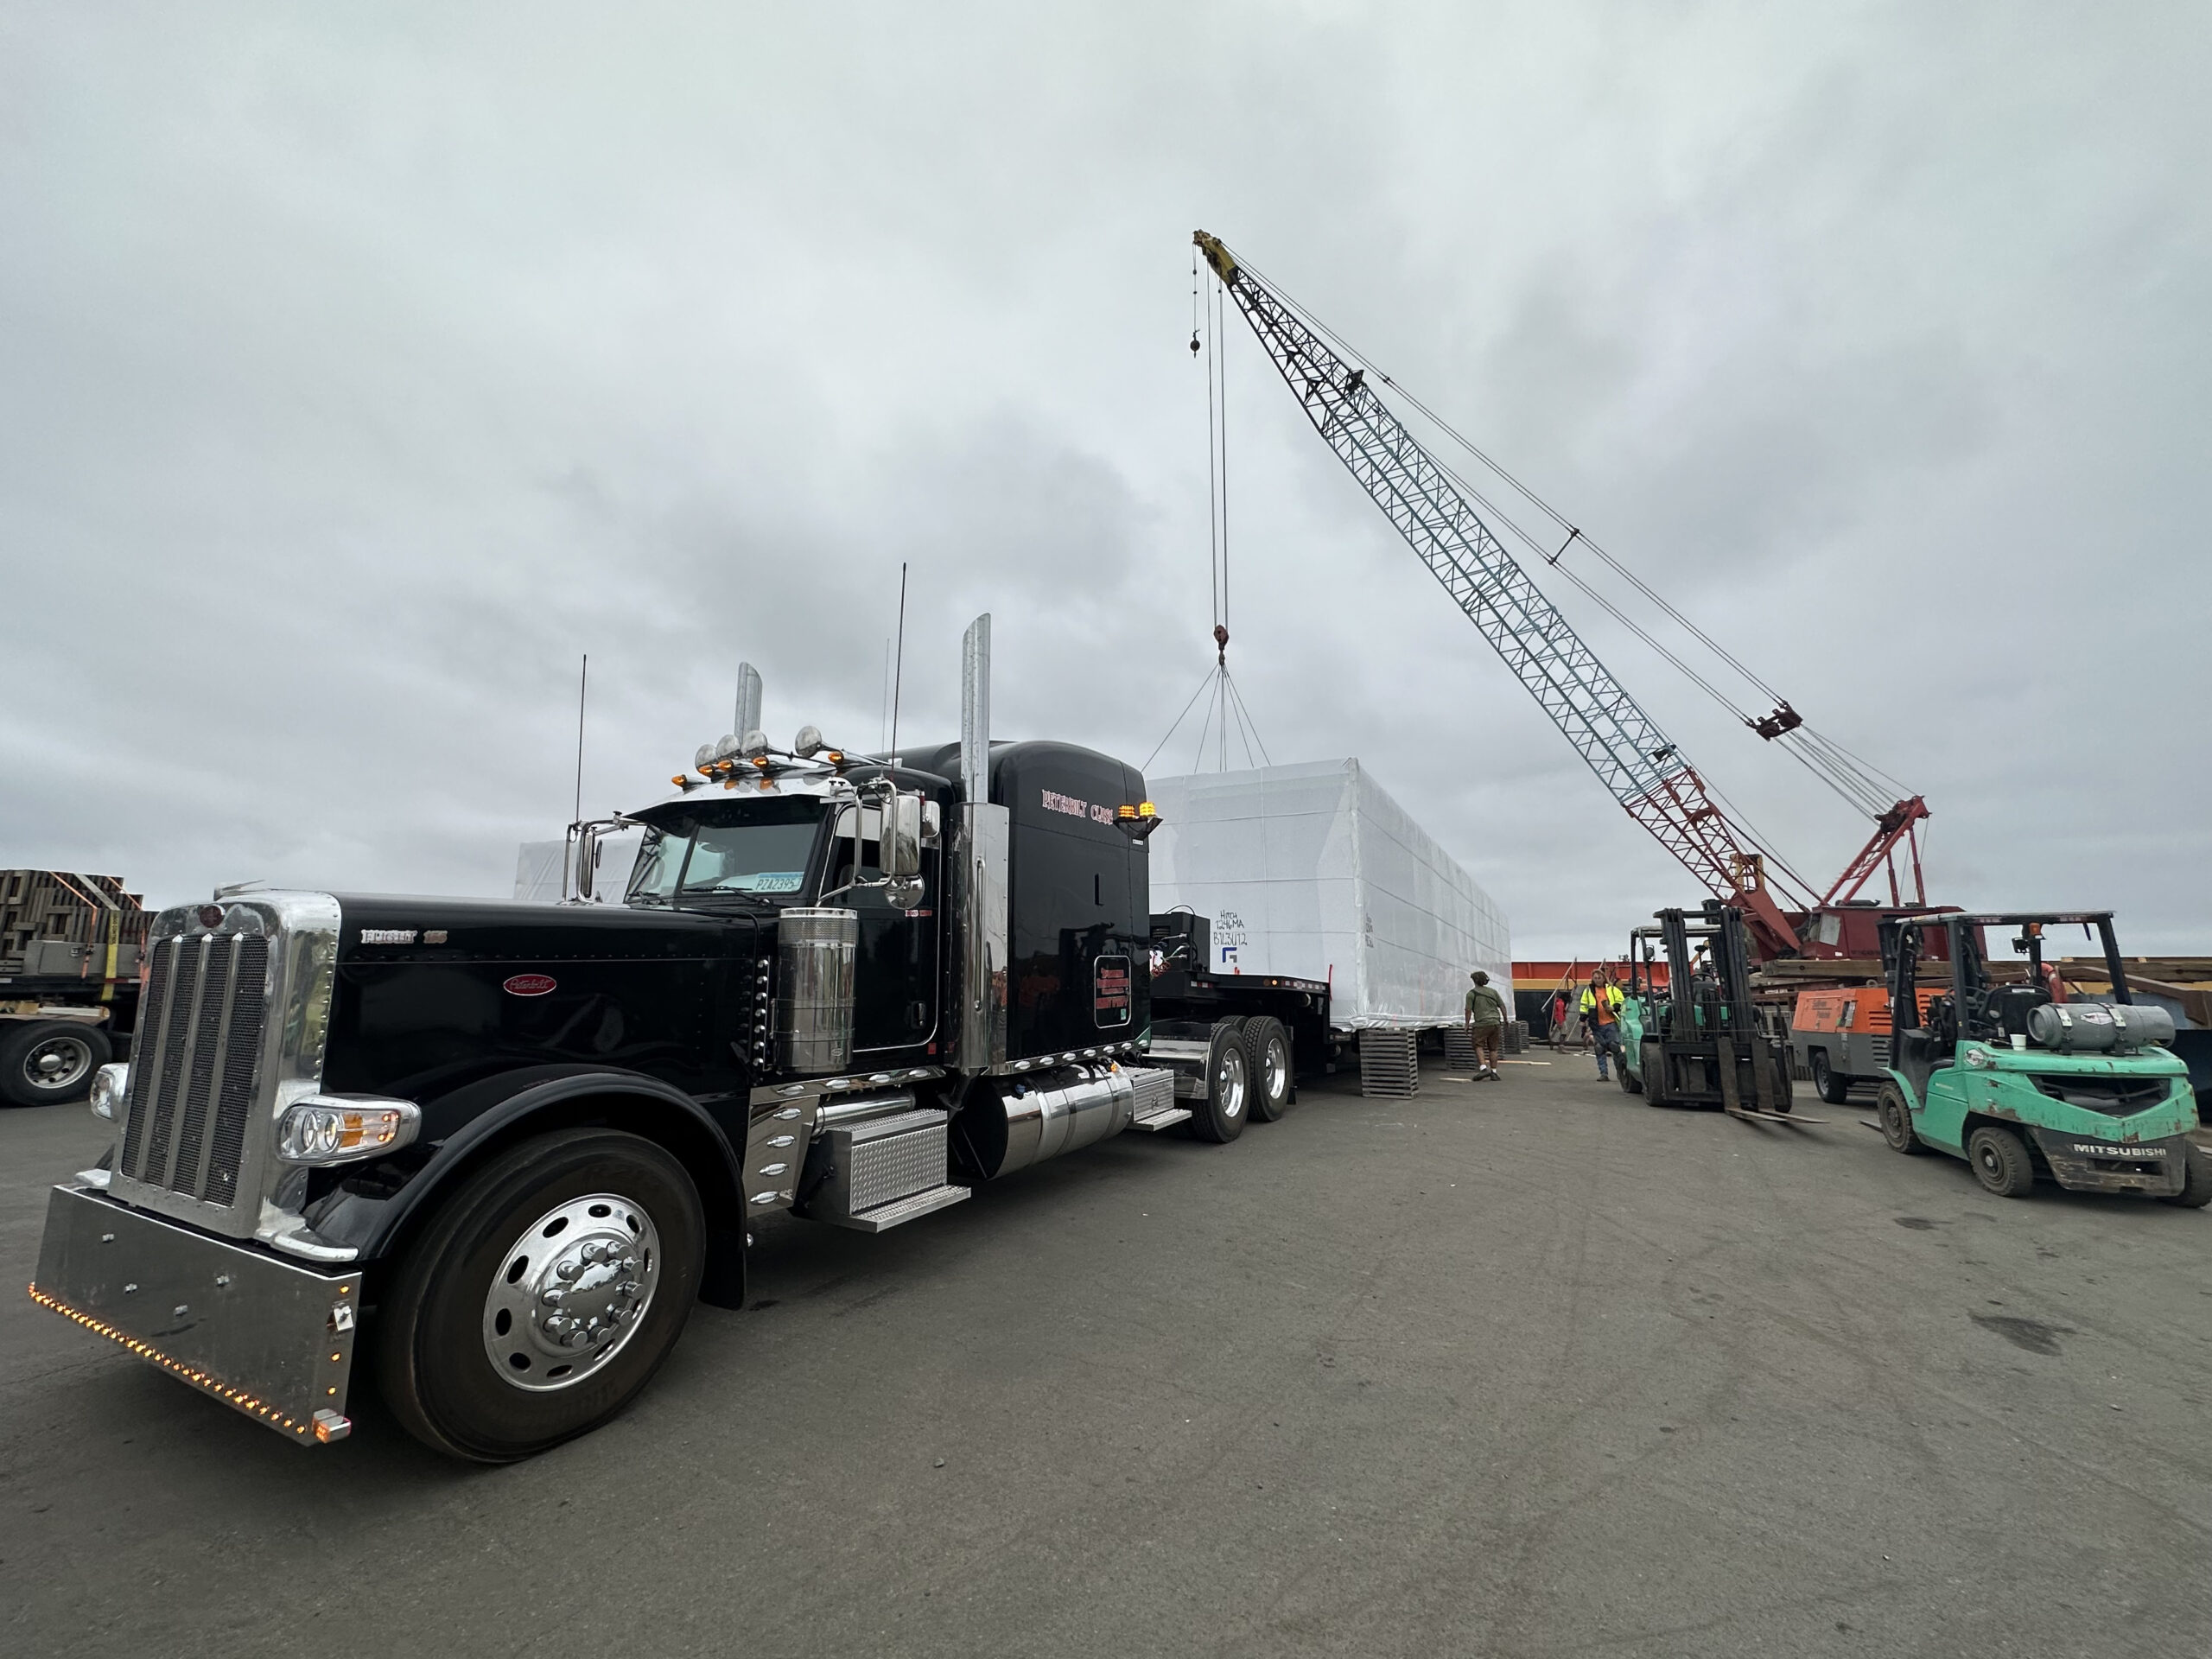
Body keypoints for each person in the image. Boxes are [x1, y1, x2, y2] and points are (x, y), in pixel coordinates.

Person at [1581, 968, 1625, 1082]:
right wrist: (1583, 1019)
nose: (1597, 980)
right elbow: (1584, 1005)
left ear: (1603, 978)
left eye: (1599, 978)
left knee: (1615, 1047)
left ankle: (1621, 1073)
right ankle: (1603, 1074)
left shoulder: (1612, 990)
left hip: (1611, 1022)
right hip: (1596, 1024)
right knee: (1599, 1048)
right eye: (1595, 978)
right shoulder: (1588, 991)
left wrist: (1614, 1007)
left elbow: (1621, 1001)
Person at [1464, 969, 1507, 1080]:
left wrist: (1467, 1024)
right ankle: (1494, 1073)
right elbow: (1502, 1006)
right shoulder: (1493, 992)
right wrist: (1505, 1020)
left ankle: (1483, 1069)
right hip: (1495, 1023)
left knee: (1478, 1045)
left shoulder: (1471, 994)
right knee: (1493, 1049)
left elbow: (1468, 1010)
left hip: (1481, 1024)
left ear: (1474, 981)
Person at [1548, 986, 1572, 1052]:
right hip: (1561, 1019)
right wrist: (1560, 1022)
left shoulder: (1559, 1002)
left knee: (1563, 1032)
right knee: (1564, 1033)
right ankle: (1561, 1047)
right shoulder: (1561, 1003)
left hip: (1559, 1019)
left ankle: (1561, 1046)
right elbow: (1560, 1014)